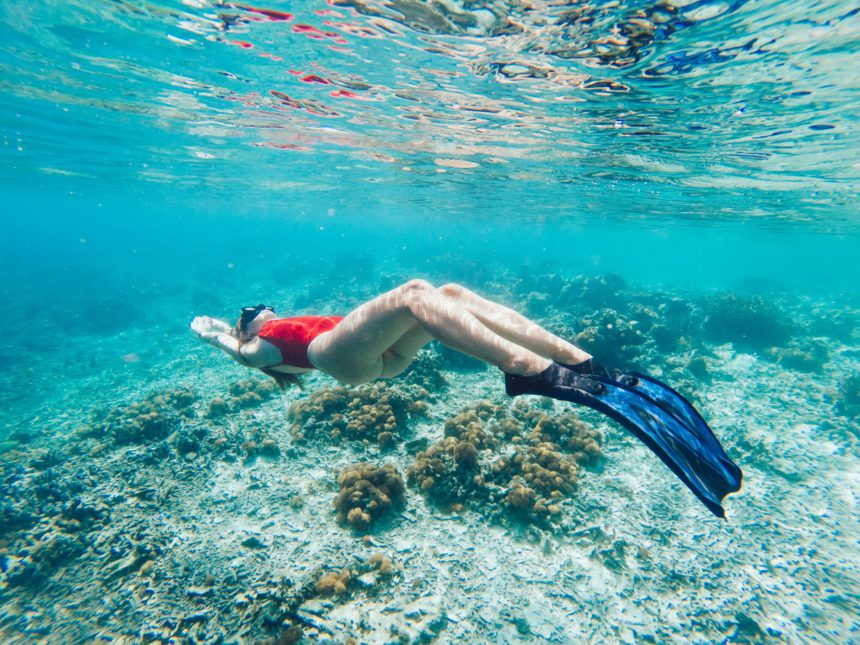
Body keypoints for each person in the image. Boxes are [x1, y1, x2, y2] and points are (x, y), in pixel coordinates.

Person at [191, 279, 742, 517]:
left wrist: (224, 325)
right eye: (253, 314)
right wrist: (216, 335)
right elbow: (240, 352)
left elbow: (247, 328)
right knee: (412, 293)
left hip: (379, 359)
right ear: (249, 327)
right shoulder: (259, 349)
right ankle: (531, 370)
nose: (262, 311)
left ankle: (577, 362)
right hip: (340, 361)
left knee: (446, 295)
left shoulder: (270, 327)